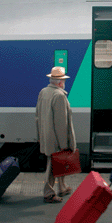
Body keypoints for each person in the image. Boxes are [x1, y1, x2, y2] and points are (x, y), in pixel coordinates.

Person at [35, 66, 76, 203]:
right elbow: (61, 124)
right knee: (53, 165)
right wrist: (64, 145)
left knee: (57, 163)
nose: (64, 83)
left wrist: (40, 135)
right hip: (56, 138)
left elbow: (37, 115)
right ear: (60, 82)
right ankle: (48, 193)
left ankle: (62, 187)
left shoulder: (44, 92)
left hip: (46, 134)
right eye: (63, 80)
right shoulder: (59, 96)